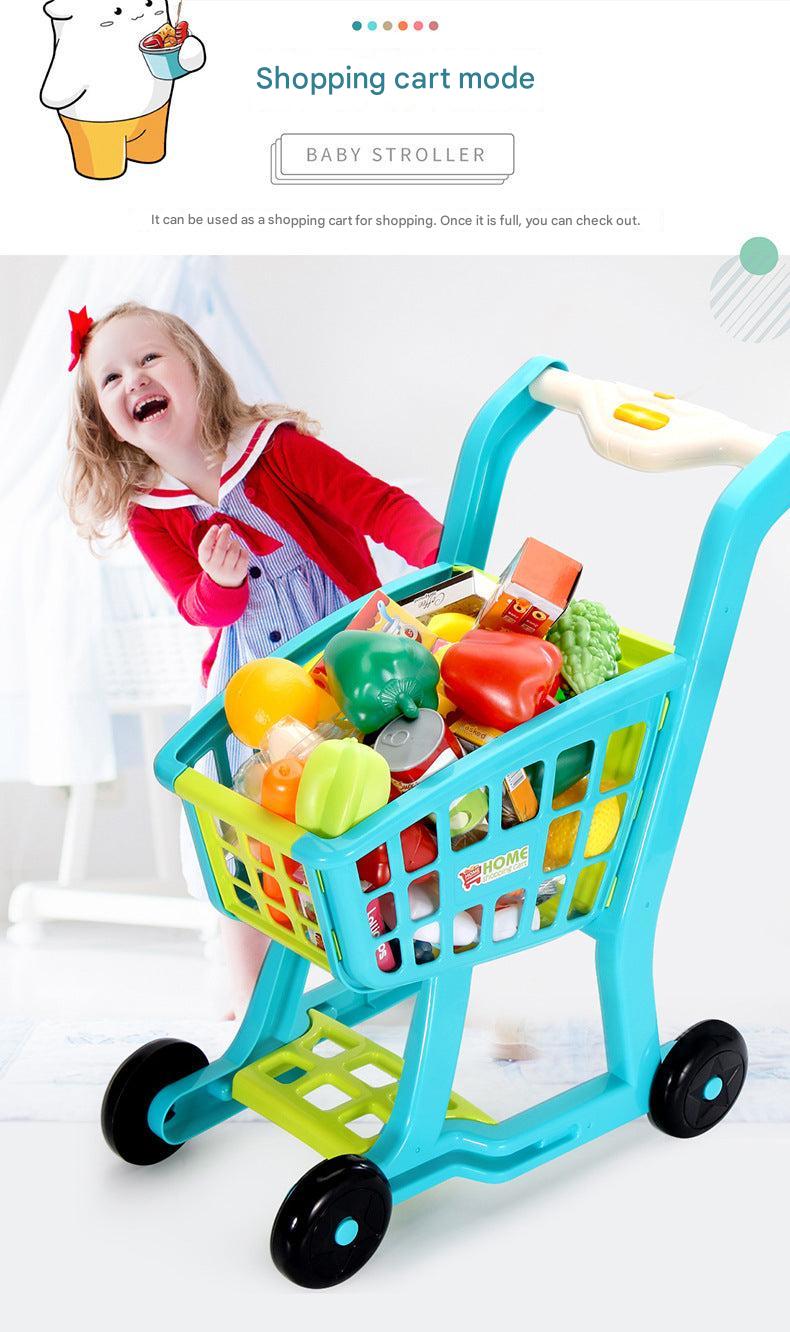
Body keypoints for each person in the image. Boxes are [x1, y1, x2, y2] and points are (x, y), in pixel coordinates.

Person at [64, 301, 443, 1014]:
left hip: (347, 657)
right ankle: (247, 999)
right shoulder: (151, 509)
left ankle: (388, 941)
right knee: (243, 825)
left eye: (149, 358)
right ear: (105, 419)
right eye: (109, 376)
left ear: (196, 369)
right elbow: (197, 608)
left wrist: (448, 559)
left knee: (371, 797)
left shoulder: (276, 451)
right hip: (253, 689)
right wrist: (220, 584)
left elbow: (380, 507)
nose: (132, 378)